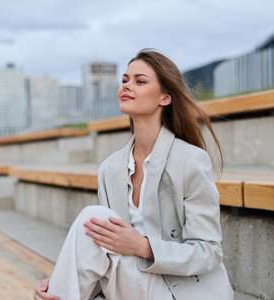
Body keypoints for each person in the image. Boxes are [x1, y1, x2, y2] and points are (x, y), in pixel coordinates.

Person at [34, 49, 233, 300]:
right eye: (125, 80)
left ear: (165, 97)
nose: (127, 86)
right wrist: (62, 280)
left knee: (94, 217)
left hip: (183, 290)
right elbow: (107, 254)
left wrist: (144, 246)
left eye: (140, 81)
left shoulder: (190, 161)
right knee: (95, 227)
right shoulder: (110, 169)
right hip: (137, 285)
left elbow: (209, 252)